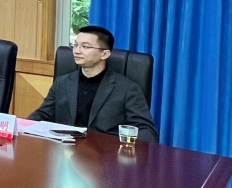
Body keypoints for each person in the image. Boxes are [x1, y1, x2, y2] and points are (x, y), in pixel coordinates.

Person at [29, 25, 158, 141]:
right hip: (64, 151)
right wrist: (22, 128)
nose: (77, 51)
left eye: (85, 46)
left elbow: (146, 131)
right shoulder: (62, 82)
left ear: (105, 54)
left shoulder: (127, 89)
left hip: (105, 155)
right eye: (75, 45)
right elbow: (43, 114)